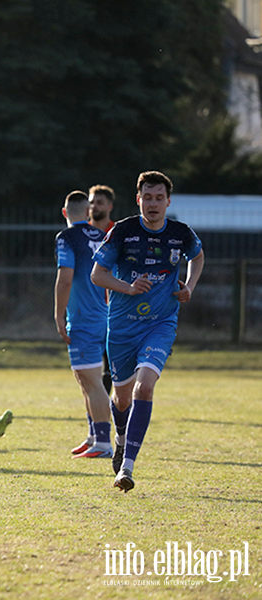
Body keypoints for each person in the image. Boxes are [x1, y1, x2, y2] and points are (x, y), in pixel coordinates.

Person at [91, 171, 204, 492]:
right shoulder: (123, 232)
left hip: (161, 323)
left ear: (168, 201)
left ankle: (126, 467)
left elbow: (197, 256)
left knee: (145, 387)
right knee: (122, 396)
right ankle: (121, 437)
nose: (153, 204)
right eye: (147, 197)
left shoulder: (180, 233)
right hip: (122, 328)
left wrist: (190, 287)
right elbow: (97, 275)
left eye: (159, 198)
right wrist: (127, 287)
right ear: (138, 199)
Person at [54, 191, 112, 459]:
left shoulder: (66, 238)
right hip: (102, 316)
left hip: (84, 319)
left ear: (65, 213)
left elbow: (65, 279)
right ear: (88, 212)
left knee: (92, 380)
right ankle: (93, 436)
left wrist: (58, 315)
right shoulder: (101, 236)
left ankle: (103, 443)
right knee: (85, 379)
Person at [88, 184, 116, 395]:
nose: (93, 206)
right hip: (88, 305)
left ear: (109, 206)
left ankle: (105, 403)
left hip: (111, 304)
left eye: (99, 202)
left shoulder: (117, 233)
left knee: (111, 358)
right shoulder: (81, 233)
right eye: (91, 202)